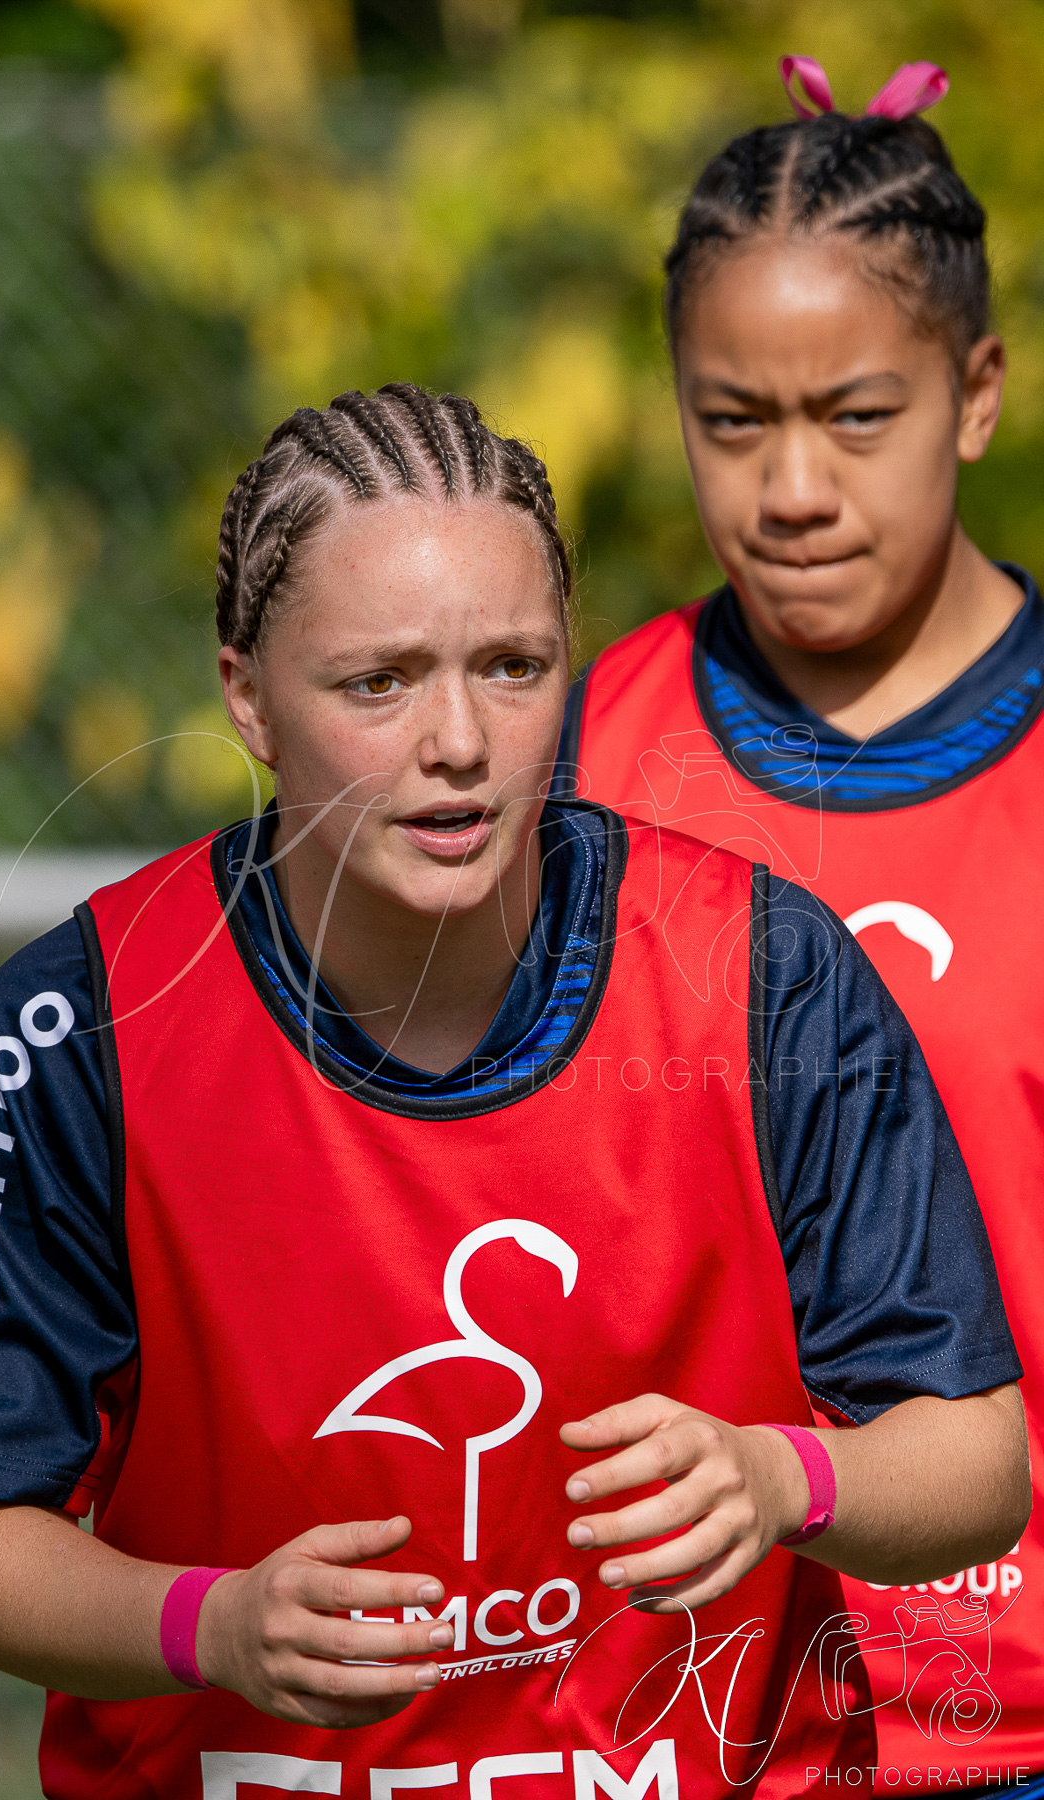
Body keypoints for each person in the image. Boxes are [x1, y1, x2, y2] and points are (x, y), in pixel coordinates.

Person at [0, 383, 1027, 1800]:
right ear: (244, 693)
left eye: (512, 665)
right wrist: (211, 1626)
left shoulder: (763, 976)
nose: (461, 743)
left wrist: (787, 1479)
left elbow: (981, 1459)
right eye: (378, 682)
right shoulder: (83, 1032)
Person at [552, 56, 1044, 1798]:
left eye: (855, 414)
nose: (792, 491)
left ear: (975, 394)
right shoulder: (575, 771)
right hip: (670, 1722)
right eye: (733, 421)